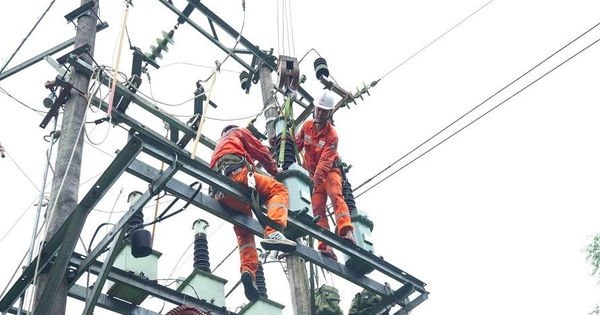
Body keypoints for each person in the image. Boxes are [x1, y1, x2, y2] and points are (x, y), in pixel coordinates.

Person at [210, 125, 297, 301]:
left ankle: (248, 270)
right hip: (237, 176)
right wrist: (275, 171)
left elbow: (250, 168)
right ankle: (273, 233)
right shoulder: (239, 132)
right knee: (278, 190)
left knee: (245, 230)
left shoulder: (219, 148)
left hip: (221, 194)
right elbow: (261, 151)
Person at [295, 91, 355, 261]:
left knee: (336, 196)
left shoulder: (332, 135)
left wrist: (312, 182)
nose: (319, 113)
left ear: (329, 113)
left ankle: (346, 232)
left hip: (329, 173)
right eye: (318, 109)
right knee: (317, 210)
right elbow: (296, 145)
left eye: (323, 110)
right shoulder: (307, 127)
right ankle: (326, 245)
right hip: (313, 177)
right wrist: (282, 143)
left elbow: (325, 163)